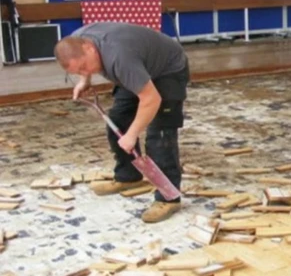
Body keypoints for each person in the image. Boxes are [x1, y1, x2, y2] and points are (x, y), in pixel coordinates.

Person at [53, 22, 190, 223]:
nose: (85, 70)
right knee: (117, 121)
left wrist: (133, 133)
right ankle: (129, 176)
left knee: (159, 135)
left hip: (167, 69)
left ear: (89, 48)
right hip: (138, 66)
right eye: (78, 71)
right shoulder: (78, 40)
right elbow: (82, 63)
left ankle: (169, 198)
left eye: (84, 67)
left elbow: (151, 99)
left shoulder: (119, 57)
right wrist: (85, 80)